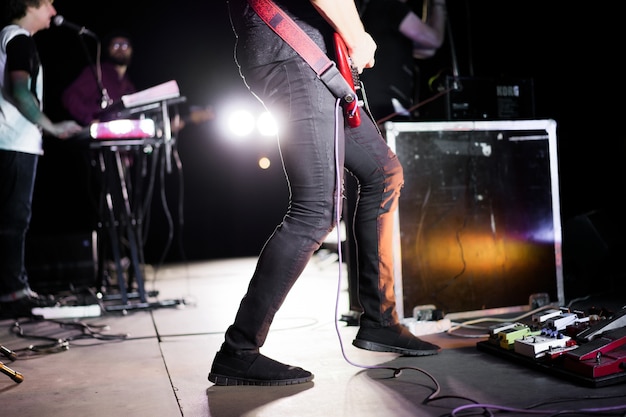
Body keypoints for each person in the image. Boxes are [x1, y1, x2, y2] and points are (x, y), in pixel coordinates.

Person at [208, 0, 441, 387]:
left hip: (306, 53)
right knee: (315, 209)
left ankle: (380, 321)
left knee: (384, 172)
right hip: (291, 49)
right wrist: (358, 36)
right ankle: (239, 350)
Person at [0, 0, 82, 318]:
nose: (52, 9)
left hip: (13, 141)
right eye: (48, 2)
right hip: (14, 142)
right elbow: (19, 90)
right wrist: (51, 126)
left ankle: (13, 290)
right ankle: (13, 294)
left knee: (12, 219)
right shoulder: (19, 38)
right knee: (13, 220)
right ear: (30, 4)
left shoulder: (11, 37)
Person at [358, 0, 447, 122]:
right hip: (385, 104)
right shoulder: (391, 7)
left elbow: (428, 50)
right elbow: (434, 40)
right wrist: (438, 4)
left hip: (374, 103)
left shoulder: (373, 9)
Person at [61, 30, 136, 125]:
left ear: (131, 50)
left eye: (125, 45)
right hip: (101, 134)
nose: (120, 49)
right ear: (108, 49)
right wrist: (89, 118)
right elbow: (70, 96)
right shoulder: (97, 72)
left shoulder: (129, 84)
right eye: (116, 45)